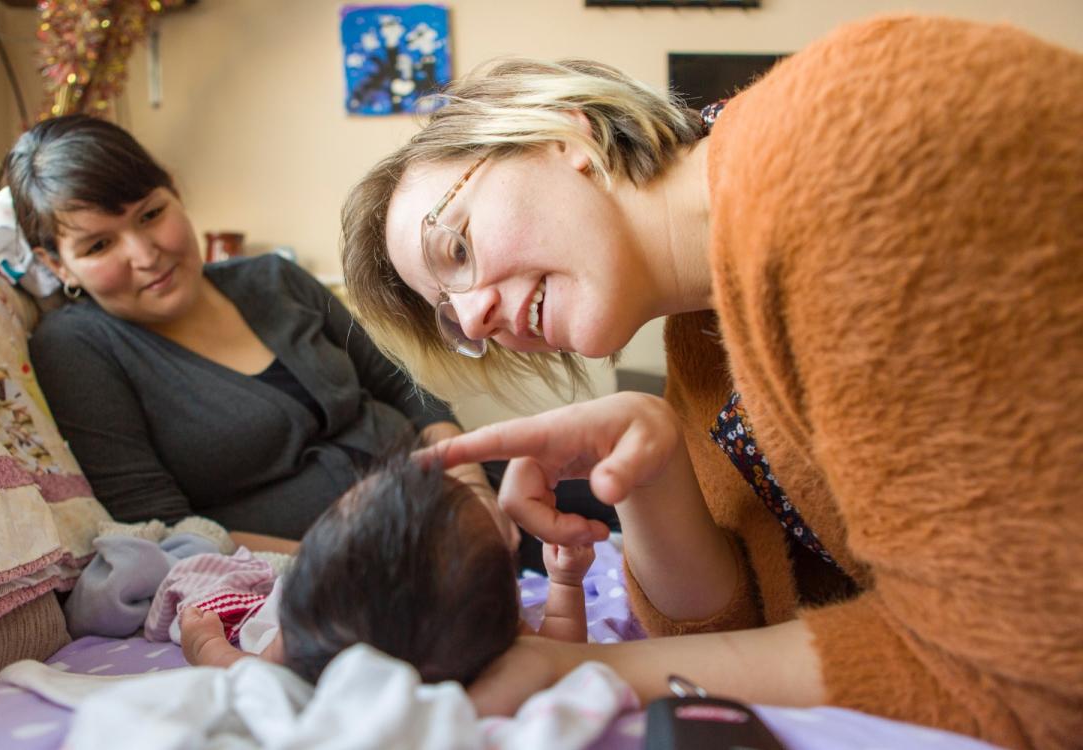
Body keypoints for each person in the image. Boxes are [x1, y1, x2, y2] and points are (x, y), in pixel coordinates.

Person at [339, 15, 1082, 750]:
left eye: (456, 246)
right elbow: (735, 633)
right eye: (450, 317)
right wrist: (652, 464)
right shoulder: (701, 354)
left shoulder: (847, 149)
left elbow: (1024, 672)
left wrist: (593, 669)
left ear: (563, 137)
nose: (476, 314)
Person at [4, 114, 514, 550]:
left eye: (151, 214)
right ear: (58, 264)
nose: (144, 254)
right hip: (346, 572)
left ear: (176, 192)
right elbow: (162, 528)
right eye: (98, 246)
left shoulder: (273, 279)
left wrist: (470, 484)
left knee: (589, 492)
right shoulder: (78, 348)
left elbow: (398, 385)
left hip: (457, 490)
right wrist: (348, 564)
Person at [179, 448, 595, 683]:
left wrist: (204, 641)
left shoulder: (308, 646)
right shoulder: (491, 640)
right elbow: (563, 652)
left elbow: (239, 673)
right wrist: (566, 582)